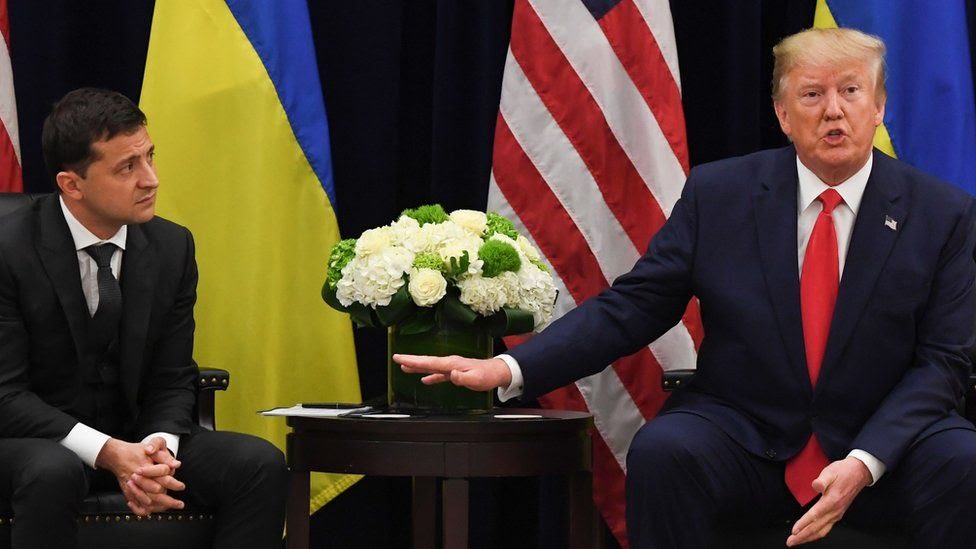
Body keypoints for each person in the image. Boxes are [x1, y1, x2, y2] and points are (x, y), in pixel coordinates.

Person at [395, 27, 976, 548]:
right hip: (748, 436)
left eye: (851, 92)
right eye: (812, 95)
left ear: (879, 107)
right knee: (665, 452)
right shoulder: (719, 195)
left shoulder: (943, 214)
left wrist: (864, 459)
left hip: (886, 445)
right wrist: (511, 370)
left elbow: (945, 362)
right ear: (780, 113)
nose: (833, 113)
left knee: (962, 460)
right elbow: (634, 306)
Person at [0, 88, 288, 548]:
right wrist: (108, 452)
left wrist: (158, 454)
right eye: (127, 168)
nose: (151, 179)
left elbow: (173, 377)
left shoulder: (172, 247)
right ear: (72, 184)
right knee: (51, 470)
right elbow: (6, 395)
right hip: (33, 442)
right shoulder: (10, 249)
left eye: (150, 157)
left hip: (135, 438)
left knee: (258, 463)